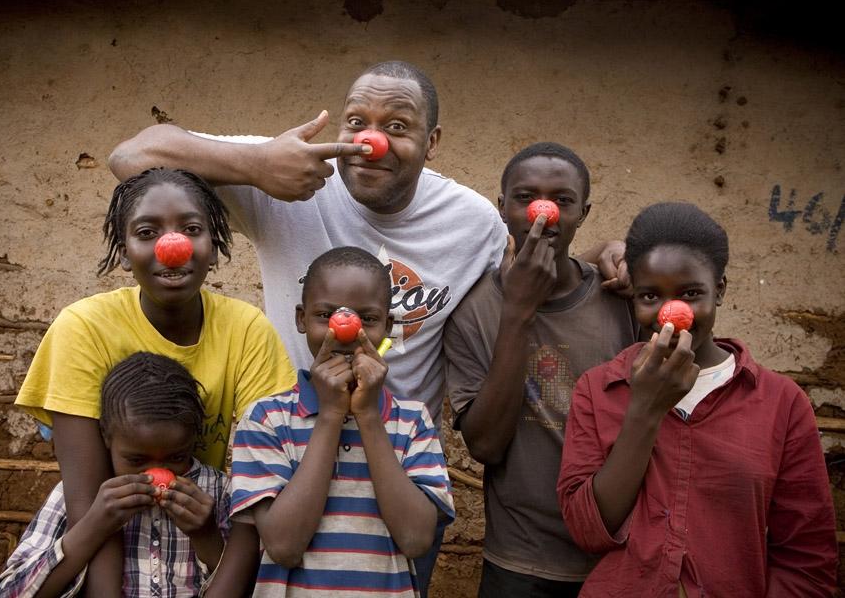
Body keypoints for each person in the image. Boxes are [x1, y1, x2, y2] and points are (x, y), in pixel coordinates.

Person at [108, 61, 626, 594]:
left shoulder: (473, 223)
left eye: (398, 126)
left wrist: (604, 256)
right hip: (286, 459)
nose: (371, 141)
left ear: (433, 142)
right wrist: (257, 164)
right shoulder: (288, 178)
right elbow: (130, 157)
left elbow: (522, 286)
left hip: (398, 465)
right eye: (356, 121)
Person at [14, 168, 295, 596]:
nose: (173, 246)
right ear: (125, 252)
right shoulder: (82, 328)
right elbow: (92, 506)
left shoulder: (247, 331)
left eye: (192, 229)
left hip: (202, 532)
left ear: (214, 246)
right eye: (147, 232)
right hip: (115, 542)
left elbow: (258, 496)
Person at [557, 202, 838, 597]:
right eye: (650, 296)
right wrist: (645, 408)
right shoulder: (598, 389)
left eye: (691, 293)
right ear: (633, 297)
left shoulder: (782, 402)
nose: (672, 315)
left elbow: (806, 560)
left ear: (720, 289)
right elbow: (588, 530)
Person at [443, 143, 638, 597]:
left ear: (583, 213)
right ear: (502, 207)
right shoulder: (473, 313)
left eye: (562, 200)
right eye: (526, 197)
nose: (544, 213)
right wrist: (518, 313)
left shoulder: (620, 300)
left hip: (618, 554)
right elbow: (486, 445)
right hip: (519, 559)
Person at [218, 246, 454, 597]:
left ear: (388, 326)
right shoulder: (266, 419)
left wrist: (369, 416)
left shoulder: (411, 421)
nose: (345, 332)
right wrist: (329, 416)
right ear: (301, 319)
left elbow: (417, 539)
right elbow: (283, 545)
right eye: (326, 315)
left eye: (367, 319)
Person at [0, 352, 231, 598]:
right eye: (136, 460)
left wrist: (206, 536)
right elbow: (7, 593)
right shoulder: (79, 493)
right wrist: (93, 524)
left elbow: (254, 585)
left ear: (193, 440)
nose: (156, 474)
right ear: (106, 438)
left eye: (176, 458)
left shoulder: (217, 491)